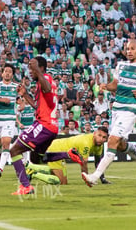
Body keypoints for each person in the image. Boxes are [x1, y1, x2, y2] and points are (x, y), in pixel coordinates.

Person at [82, 40, 136, 187]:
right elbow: (115, 85)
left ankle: (95, 176)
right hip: (116, 107)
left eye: (132, 49)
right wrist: (106, 86)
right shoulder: (121, 65)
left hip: (130, 109)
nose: (129, 51)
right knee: (120, 144)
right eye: (127, 49)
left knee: (112, 140)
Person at [9, 56, 84, 195]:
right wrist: (25, 95)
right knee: (36, 158)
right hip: (51, 126)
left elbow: (48, 87)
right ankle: (67, 154)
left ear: (41, 68)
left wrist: (37, 71)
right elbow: (38, 106)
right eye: (30, 68)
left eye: (33, 67)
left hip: (44, 124)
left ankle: (25, 186)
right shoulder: (41, 83)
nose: (30, 71)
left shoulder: (46, 78)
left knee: (14, 151)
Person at [26, 127, 110, 185]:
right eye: (99, 135)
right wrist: (88, 179)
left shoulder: (99, 145)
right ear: (94, 134)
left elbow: (98, 162)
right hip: (56, 150)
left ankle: (30, 167)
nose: (101, 139)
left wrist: (102, 179)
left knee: (57, 175)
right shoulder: (86, 143)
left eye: (104, 137)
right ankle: (33, 174)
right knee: (61, 182)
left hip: (59, 150)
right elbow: (83, 163)